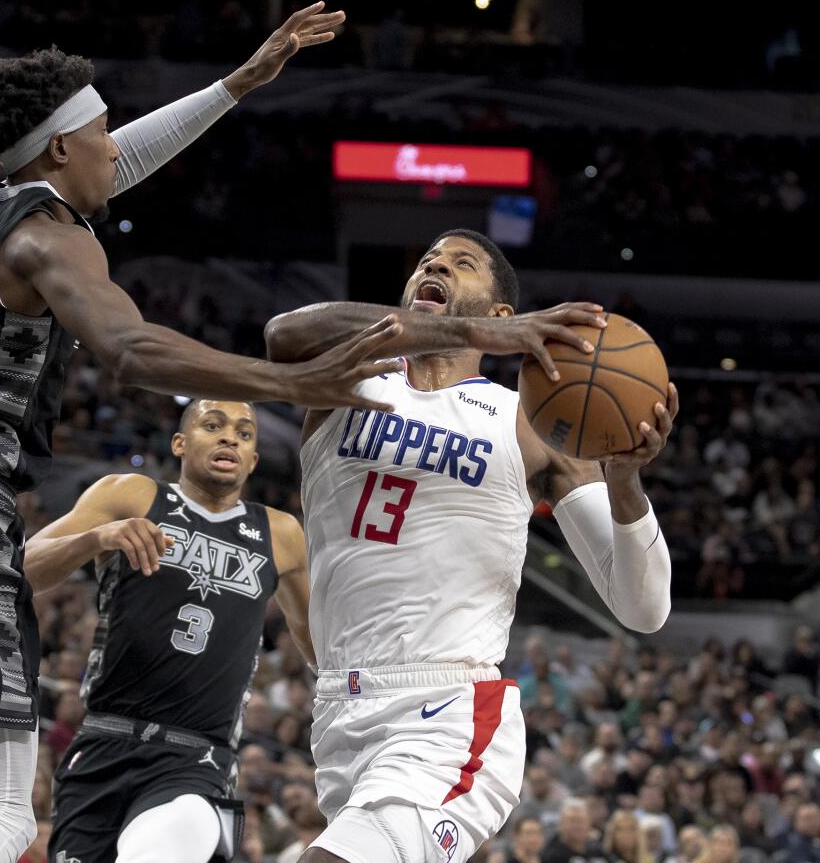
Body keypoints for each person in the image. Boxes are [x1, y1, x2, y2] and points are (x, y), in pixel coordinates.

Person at [0, 7, 402, 863]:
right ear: (60, 149)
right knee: (2, 813)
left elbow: (117, 159)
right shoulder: (47, 237)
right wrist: (292, 382)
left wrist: (235, 85)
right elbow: (130, 351)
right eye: (99, 135)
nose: (114, 150)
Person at [266, 229, 674, 863]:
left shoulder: (524, 424)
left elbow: (643, 609)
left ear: (503, 318)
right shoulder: (346, 378)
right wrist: (457, 333)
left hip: (449, 712)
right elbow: (284, 335)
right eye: (429, 259)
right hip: (340, 708)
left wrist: (624, 479)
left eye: (462, 264)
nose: (436, 265)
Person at [27, 400, 314, 863]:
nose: (229, 439)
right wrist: (97, 538)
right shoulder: (132, 495)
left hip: (198, 758)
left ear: (253, 459)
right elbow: (23, 568)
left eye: (244, 434)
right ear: (180, 443)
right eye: (213, 426)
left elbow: (317, 644)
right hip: (105, 740)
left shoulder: (280, 532)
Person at [541, 800, 608, 863]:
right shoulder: (549, 855)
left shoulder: (598, 850)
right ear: (561, 824)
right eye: (572, 821)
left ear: (589, 824)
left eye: (581, 821)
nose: (577, 826)